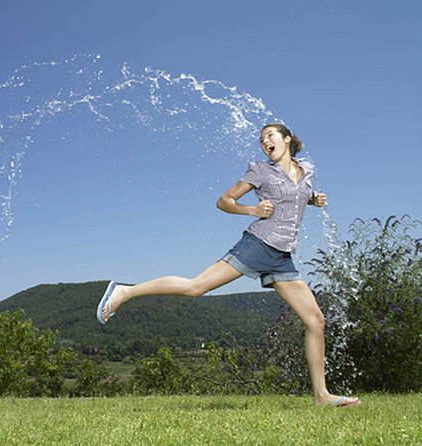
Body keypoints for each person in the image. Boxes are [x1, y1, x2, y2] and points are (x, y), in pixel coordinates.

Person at [96, 123, 361, 407]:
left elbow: (293, 196)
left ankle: (321, 396)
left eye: (270, 136)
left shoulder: (304, 171)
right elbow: (224, 201)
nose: (265, 142)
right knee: (195, 287)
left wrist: (312, 200)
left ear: (287, 139)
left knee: (315, 321)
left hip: (282, 256)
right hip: (258, 245)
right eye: (262, 139)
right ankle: (124, 292)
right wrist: (253, 210)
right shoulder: (260, 171)